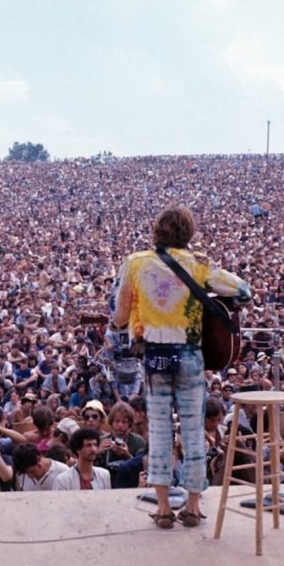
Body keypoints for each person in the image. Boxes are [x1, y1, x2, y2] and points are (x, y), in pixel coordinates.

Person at [110, 205, 250, 528]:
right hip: (190, 355)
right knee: (193, 431)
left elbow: (118, 315)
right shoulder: (198, 263)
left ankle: (162, 509)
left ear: (157, 230)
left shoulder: (135, 263)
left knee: (159, 431)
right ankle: (192, 506)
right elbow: (243, 291)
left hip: (156, 356)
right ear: (189, 232)